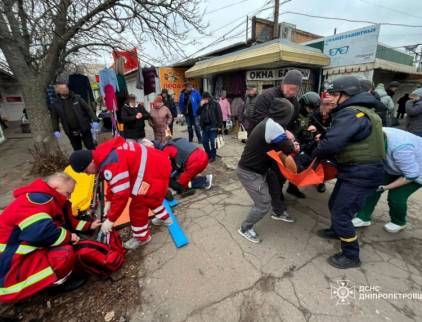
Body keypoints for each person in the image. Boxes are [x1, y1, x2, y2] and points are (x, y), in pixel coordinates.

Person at [313, 76, 385, 269]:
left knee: (341, 213)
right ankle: (337, 231)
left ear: (348, 95)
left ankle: (351, 255)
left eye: (336, 94)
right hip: (354, 170)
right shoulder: (364, 112)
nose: (333, 98)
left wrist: (309, 156)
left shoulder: (352, 114)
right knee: (334, 203)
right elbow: (347, 137)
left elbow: (331, 144)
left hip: (361, 173)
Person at [0, 173, 100, 302]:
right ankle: (55, 284)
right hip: (8, 267)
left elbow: (69, 222)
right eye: (68, 193)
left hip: (14, 255)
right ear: (55, 187)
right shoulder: (37, 201)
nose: (69, 197)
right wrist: (69, 237)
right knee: (64, 254)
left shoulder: (49, 199)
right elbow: (41, 233)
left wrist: (89, 225)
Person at [68, 136, 172, 250]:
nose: (88, 174)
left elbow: (121, 194)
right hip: (157, 164)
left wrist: (111, 220)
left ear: (91, 162)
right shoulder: (103, 154)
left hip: (154, 172)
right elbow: (114, 182)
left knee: (138, 205)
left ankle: (142, 237)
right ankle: (165, 218)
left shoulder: (110, 163)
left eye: (86, 171)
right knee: (151, 197)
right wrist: (109, 200)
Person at [237, 98, 297, 243]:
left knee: (275, 186)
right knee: (263, 203)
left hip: (262, 169)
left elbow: (278, 144)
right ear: (285, 115)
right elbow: (289, 149)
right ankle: (245, 228)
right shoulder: (273, 127)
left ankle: (278, 211)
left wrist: (287, 137)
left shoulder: (270, 122)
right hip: (249, 172)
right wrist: (292, 140)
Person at [352, 127, 422, 233]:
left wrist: (385, 187)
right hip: (396, 164)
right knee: (373, 186)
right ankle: (363, 217)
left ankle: (399, 222)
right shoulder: (374, 131)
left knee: (396, 197)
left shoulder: (401, 149)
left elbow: (411, 175)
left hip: (416, 171)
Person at [251, 70, 305, 199]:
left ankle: (289, 188)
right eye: (290, 88)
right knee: (271, 171)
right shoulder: (267, 96)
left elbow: (295, 122)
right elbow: (258, 119)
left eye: (295, 90)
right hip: (265, 141)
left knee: (288, 167)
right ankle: (273, 197)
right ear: (283, 83)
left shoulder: (294, 102)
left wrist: (293, 136)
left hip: (283, 142)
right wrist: (281, 130)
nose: (291, 92)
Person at [51, 83, 100, 150]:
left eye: (66, 88)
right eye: (62, 89)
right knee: (77, 149)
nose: (65, 90)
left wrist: (95, 120)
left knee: (90, 147)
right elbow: (54, 118)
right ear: (58, 91)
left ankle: (95, 159)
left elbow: (88, 109)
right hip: (70, 130)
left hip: (84, 127)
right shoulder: (56, 104)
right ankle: (82, 160)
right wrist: (56, 130)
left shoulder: (77, 98)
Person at [198, 92, 223, 162]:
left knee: (213, 142)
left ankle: (213, 156)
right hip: (205, 126)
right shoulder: (202, 105)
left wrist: (219, 126)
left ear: (209, 98)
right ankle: (208, 154)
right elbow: (197, 113)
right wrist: (200, 106)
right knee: (204, 141)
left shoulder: (215, 104)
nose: (205, 100)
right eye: (204, 98)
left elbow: (219, 116)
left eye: (206, 98)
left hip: (213, 126)